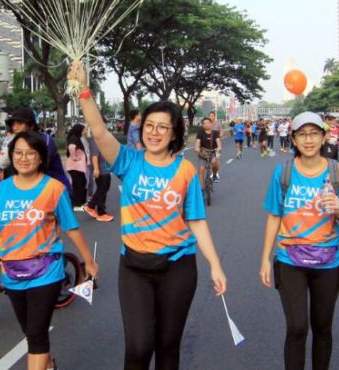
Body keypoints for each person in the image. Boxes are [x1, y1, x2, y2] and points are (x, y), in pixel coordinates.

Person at [71, 60, 227, 370]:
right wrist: (84, 91)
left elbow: (196, 220)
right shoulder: (128, 161)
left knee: (168, 347)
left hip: (178, 267)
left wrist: (215, 265)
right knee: (140, 347)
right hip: (135, 267)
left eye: (163, 127)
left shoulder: (184, 170)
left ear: (174, 133)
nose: (154, 132)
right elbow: (100, 132)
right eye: (150, 126)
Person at [0, 130, 99, 370]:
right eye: (18, 153)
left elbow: (71, 227)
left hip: (46, 270)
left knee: (37, 334)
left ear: (41, 158)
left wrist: (88, 261)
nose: (24, 158)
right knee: (31, 332)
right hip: (11, 272)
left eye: (31, 153)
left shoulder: (53, 189)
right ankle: (48, 365)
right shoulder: (0, 191)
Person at [260, 112, 339, 370]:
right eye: (302, 134)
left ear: (324, 136)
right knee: (297, 327)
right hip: (288, 259)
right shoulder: (284, 173)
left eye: (314, 133)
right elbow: (274, 216)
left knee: (322, 327)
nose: (308, 140)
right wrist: (264, 259)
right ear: (293, 138)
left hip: (327, 263)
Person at [84, 124, 114, 222]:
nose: (106, 129)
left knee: (103, 189)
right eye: (104, 127)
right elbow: (94, 156)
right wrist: (96, 169)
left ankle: (94, 208)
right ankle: (99, 211)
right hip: (101, 169)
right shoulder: (95, 140)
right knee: (102, 189)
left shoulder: (100, 140)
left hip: (104, 168)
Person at [65, 123, 89, 209]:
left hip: (78, 166)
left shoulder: (76, 138)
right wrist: (74, 157)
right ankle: (77, 203)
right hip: (75, 166)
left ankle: (81, 201)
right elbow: (71, 147)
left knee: (81, 183)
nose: (85, 132)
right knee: (78, 184)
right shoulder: (74, 138)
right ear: (79, 130)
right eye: (84, 130)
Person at [195, 117, 221, 183]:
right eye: (204, 123)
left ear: (211, 124)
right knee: (201, 169)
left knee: (214, 162)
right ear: (202, 125)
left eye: (208, 123)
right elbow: (198, 142)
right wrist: (197, 148)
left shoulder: (215, 133)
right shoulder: (200, 133)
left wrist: (219, 148)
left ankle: (214, 174)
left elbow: (218, 142)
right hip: (203, 153)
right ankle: (202, 189)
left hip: (213, 152)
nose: (206, 124)